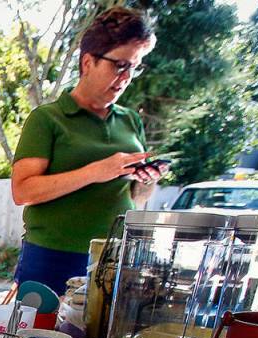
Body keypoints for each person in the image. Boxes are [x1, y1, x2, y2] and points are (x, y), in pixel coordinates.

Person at [10, 6, 167, 295]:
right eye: (119, 65)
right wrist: (96, 171)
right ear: (87, 63)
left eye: (134, 67)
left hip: (114, 255)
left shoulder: (131, 121)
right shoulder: (47, 119)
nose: (125, 77)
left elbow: (137, 197)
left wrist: (148, 180)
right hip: (51, 257)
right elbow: (23, 191)